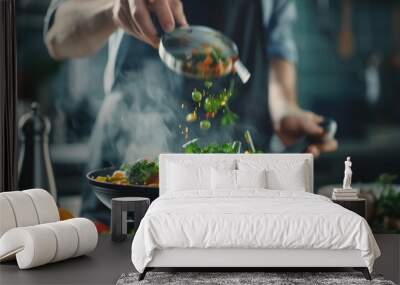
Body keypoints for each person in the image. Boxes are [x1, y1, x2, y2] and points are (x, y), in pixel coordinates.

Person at [44, 0, 337, 223]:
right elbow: (57, 35)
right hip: (128, 170)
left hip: (237, 176)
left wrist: (284, 110)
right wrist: (111, 10)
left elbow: (278, 47)